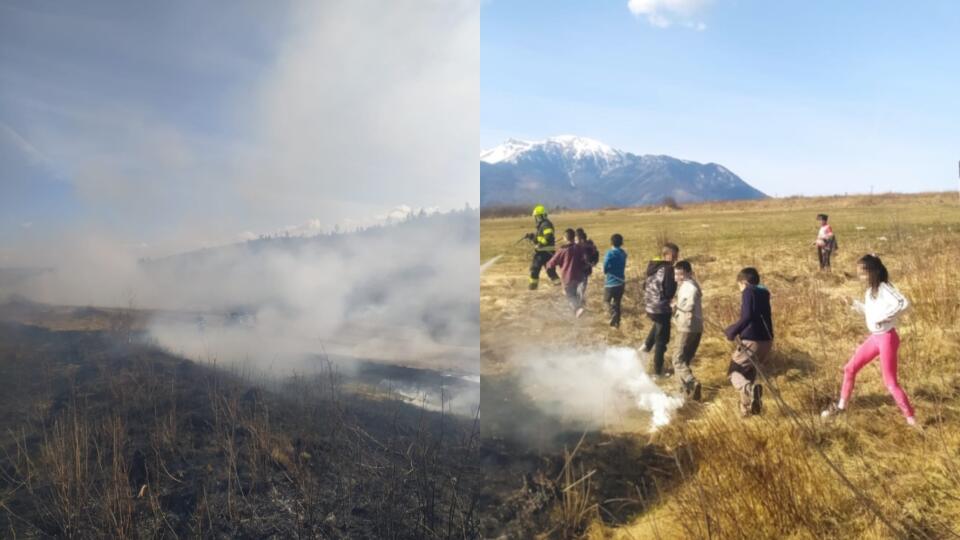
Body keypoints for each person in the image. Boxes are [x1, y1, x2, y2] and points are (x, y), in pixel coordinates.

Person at [821, 254, 916, 426]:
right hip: (875, 338)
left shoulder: (885, 288)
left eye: (863, 272)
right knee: (849, 369)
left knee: (890, 383)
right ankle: (842, 407)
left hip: (887, 338)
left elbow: (904, 303)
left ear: (874, 272)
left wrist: (886, 318)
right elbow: (870, 313)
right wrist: (852, 304)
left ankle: (911, 419)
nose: (860, 276)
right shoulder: (869, 292)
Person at [724, 267, 774, 417]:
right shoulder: (764, 292)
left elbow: (747, 316)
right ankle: (747, 411)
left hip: (753, 340)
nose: (739, 289)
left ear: (744, 282)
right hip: (767, 340)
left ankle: (749, 390)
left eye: (738, 285)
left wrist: (732, 331)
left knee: (734, 371)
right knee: (748, 373)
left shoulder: (748, 292)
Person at [640, 243, 679, 377]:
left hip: (650, 306)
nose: (675, 259)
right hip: (661, 307)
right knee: (662, 339)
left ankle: (646, 346)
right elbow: (669, 292)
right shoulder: (668, 269)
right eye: (674, 256)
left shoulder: (654, 266)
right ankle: (658, 371)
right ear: (667, 255)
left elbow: (645, 285)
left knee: (658, 325)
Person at [672, 260, 703, 400]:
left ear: (689, 273)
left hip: (686, 327)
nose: (678, 277)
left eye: (681, 274)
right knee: (684, 361)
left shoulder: (689, 286)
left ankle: (692, 382)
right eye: (676, 274)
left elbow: (688, 303)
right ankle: (685, 393)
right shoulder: (690, 284)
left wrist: (678, 307)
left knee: (677, 360)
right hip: (696, 328)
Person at [545, 229, 591, 318]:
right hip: (580, 276)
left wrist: (548, 265)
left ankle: (578, 309)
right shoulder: (580, 248)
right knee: (576, 294)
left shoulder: (563, 250)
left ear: (565, 238)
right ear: (574, 237)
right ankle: (579, 311)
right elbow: (586, 260)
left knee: (569, 295)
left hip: (568, 277)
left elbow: (551, 264)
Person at [526, 205, 561, 290]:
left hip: (544, 253)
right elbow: (540, 237)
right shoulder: (542, 225)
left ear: (541, 216)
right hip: (544, 252)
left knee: (535, 269)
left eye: (537, 216)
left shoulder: (546, 224)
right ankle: (558, 286)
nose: (536, 218)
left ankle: (533, 288)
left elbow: (548, 236)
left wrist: (541, 244)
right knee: (549, 271)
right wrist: (532, 237)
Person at [603, 234, 627, 328]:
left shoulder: (609, 253)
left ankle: (612, 313)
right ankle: (616, 323)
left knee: (606, 301)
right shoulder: (623, 253)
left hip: (610, 283)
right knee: (617, 303)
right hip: (621, 282)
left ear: (611, 242)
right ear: (621, 243)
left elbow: (605, 266)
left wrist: (605, 270)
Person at [575, 228, 599, 305]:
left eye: (576, 238)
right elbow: (596, 255)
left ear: (580, 238)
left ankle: (579, 303)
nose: (575, 240)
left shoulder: (582, 247)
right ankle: (580, 302)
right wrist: (593, 263)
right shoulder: (591, 245)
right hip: (586, 270)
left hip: (581, 269)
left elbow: (586, 258)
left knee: (580, 287)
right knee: (582, 287)